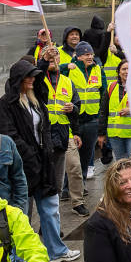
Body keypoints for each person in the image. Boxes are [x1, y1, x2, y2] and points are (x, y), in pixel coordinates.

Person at [0, 59, 81, 262]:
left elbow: (45, 126)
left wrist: (47, 149)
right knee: (22, 213)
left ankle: (56, 251)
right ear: (19, 79)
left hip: (43, 163)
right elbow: (9, 134)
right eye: (28, 76)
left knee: (50, 209)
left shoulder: (35, 99)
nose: (33, 80)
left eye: (34, 76)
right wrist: (29, 154)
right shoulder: (6, 104)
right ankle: (19, 257)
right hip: (22, 166)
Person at [37, 45, 88, 216]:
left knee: (74, 167)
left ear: (60, 59)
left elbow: (77, 108)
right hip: (44, 133)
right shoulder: (38, 79)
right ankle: (50, 210)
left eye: (55, 55)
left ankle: (78, 202)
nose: (53, 58)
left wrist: (73, 109)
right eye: (48, 55)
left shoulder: (67, 81)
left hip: (65, 133)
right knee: (50, 174)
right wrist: (44, 60)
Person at [68, 41, 107, 179]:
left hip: (92, 119)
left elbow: (104, 93)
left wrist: (101, 115)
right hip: (74, 120)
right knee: (72, 158)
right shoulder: (70, 69)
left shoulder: (98, 69)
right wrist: (65, 66)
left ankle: (82, 183)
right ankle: (69, 186)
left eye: (91, 54)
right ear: (78, 56)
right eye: (86, 54)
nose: (90, 57)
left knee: (86, 155)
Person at [100, 60, 131, 159]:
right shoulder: (111, 87)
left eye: (129, 69)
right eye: (124, 69)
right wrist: (101, 134)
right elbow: (103, 112)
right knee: (120, 163)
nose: (127, 72)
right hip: (115, 135)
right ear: (118, 72)